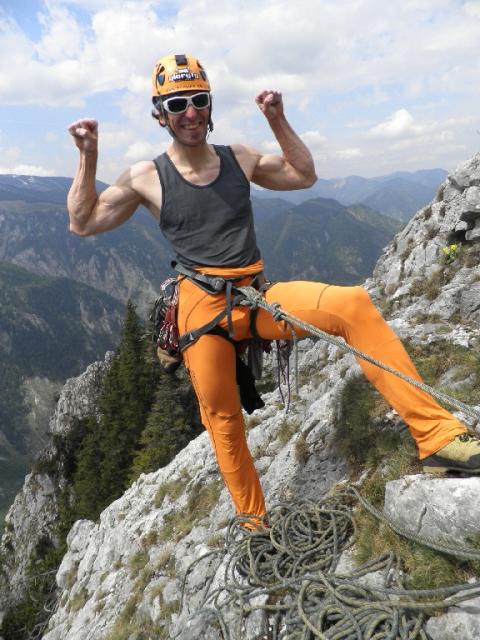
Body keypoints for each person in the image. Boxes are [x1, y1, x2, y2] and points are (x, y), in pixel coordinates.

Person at [67, 53, 480, 522]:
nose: (190, 113)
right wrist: (88, 155)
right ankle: (255, 523)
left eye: (198, 101)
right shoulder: (147, 177)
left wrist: (277, 119)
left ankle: (438, 438)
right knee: (222, 419)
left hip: (255, 294)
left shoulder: (239, 159)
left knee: (352, 304)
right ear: (160, 114)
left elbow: (303, 175)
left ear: (210, 104)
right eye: (177, 104)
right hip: (201, 307)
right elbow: (83, 222)